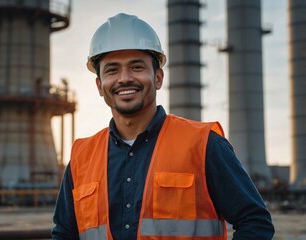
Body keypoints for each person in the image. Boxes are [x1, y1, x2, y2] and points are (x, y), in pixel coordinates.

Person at [52, 13, 274, 240]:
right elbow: (64, 234)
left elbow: (255, 223)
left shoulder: (204, 144)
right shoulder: (82, 158)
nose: (124, 78)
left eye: (137, 67)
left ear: (158, 78)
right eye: (112, 70)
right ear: (100, 85)